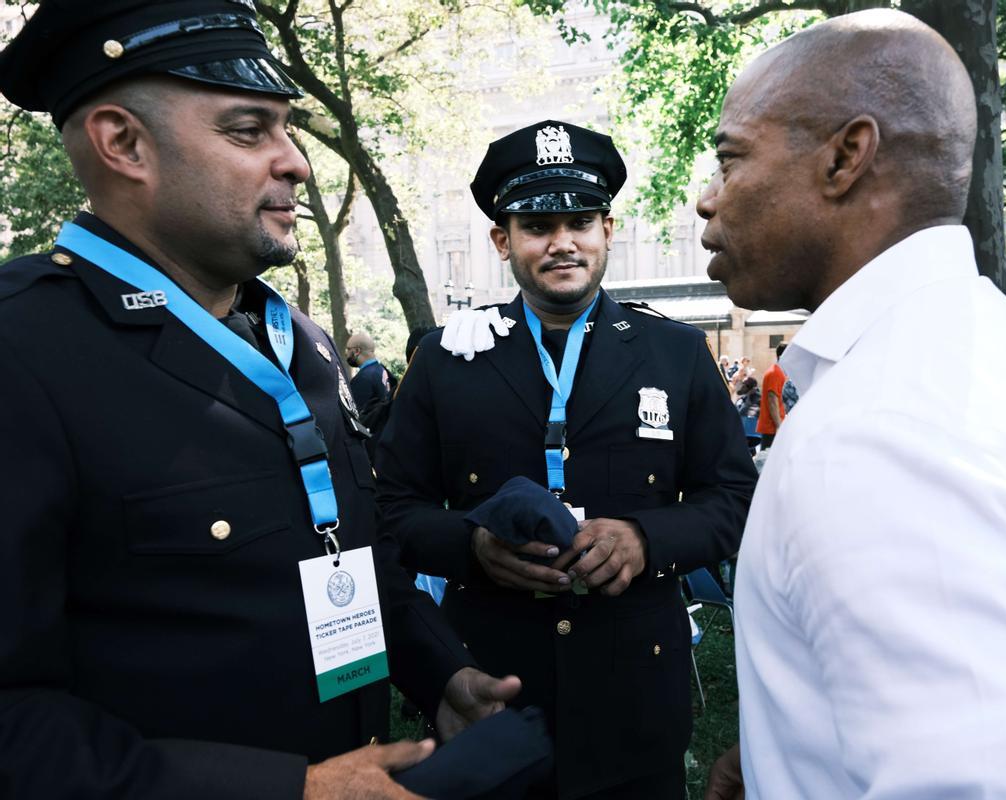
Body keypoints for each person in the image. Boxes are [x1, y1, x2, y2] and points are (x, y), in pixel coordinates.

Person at [0, 4, 519, 798]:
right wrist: (289, 791)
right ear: (123, 143)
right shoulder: (21, 350)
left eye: (288, 128)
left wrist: (440, 673)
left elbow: (345, 555)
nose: (297, 162)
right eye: (249, 131)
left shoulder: (299, 341)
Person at [696, 10, 1006, 799]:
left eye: (731, 161)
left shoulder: (887, 426)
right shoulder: (987, 348)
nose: (708, 199)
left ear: (846, 156)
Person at [375, 119, 757, 799]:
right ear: (503, 240)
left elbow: (732, 498)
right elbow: (393, 509)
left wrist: (646, 539)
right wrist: (472, 545)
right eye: (536, 225)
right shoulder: (443, 359)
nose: (561, 243)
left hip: (636, 690)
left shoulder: (675, 353)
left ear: (607, 230)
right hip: (494, 688)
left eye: (579, 221)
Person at [346, 331, 396, 461]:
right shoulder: (383, 371)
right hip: (388, 442)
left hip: (373, 448)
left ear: (357, 351)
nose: (346, 353)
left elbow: (353, 419)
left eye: (348, 349)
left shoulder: (363, 378)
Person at [755, 343, 787, 447]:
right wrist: (778, 425)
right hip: (772, 428)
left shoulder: (777, 371)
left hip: (773, 427)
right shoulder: (775, 373)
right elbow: (772, 399)